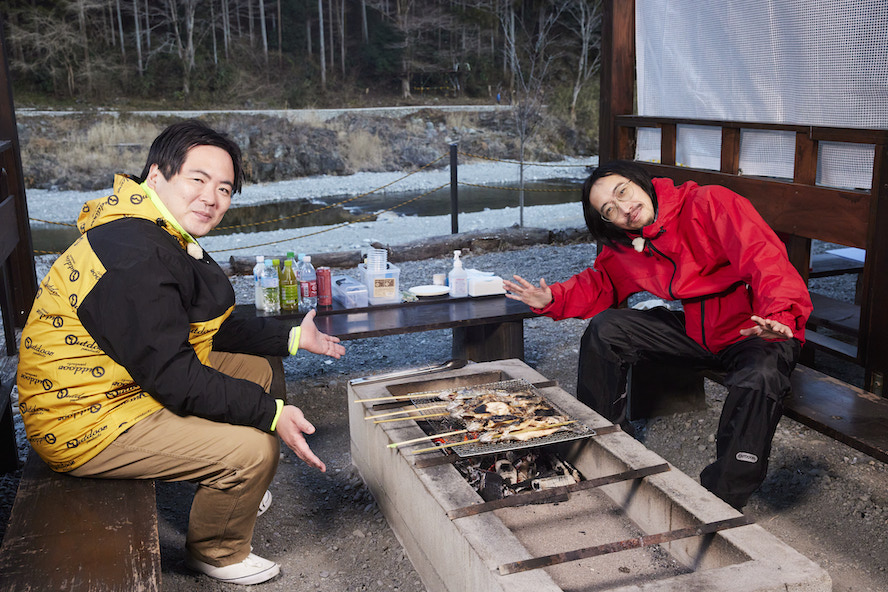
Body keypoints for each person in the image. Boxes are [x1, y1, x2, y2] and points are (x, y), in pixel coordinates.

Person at [17, 120, 345, 585]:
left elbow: (204, 327)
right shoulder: (132, 255)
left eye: (225, 188)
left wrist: (292, 338)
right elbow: (173, 376)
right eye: (198, 179)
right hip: (82, 416)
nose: (212, 198)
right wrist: (270, 415)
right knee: (254, 448)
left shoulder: (153, 228)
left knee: (257, 368)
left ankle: (229, 489)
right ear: (156, 176)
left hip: (120, 380)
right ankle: (218, 551)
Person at [503, 159, 812, 511]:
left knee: (760, 376)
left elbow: (765, 260)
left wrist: (778, 315)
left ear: (640, 182)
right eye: (609, 210)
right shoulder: (631, 241)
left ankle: (722, 499)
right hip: (698, 332)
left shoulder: (708, 203)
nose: (624, 208)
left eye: (623, 192)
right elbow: (602, 282)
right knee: (607, 329)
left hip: (758, 330)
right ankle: (603, 446)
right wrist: (554, 297)